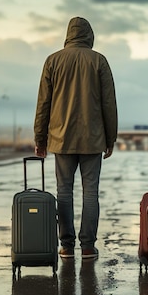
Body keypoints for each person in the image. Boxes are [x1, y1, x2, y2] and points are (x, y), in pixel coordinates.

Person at [34, 17, 118, 260]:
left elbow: (44, 103)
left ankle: (66, 246)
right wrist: (110, 138)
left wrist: (40, 138)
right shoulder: (99, 61)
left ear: (69, 35)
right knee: (90, 192)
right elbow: (108, 103)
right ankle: (88, 246)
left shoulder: (53, 60)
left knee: (64, 192)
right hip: (92, 139)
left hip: (61, 138)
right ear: (89, 35)